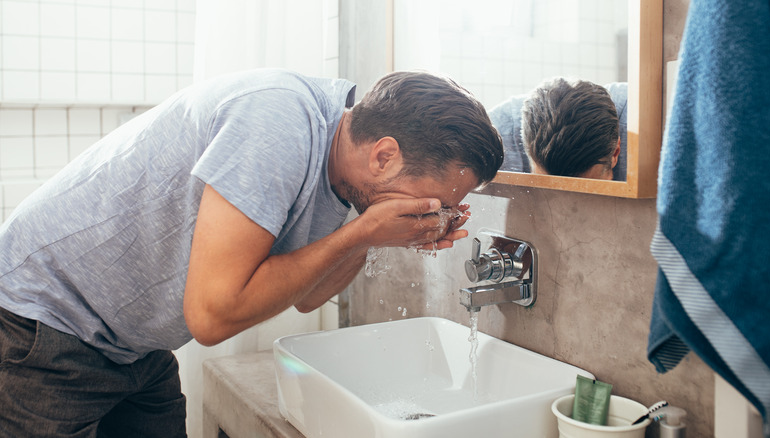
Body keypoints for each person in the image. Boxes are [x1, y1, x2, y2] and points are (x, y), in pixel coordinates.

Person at [0, 68, 503, 437]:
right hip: (42, 328)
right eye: (436, 198)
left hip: (130, 345)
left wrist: (372, 233)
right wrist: (360, 233)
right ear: (385, 155)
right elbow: (212, 317)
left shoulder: (342, 167)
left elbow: (308, 298)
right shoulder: (277, 121)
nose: (435, 211)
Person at [489, 77, 627, 180]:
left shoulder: (642, 123)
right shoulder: (494, 139)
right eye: (551, 190)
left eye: (587, 190)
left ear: (615, 153)